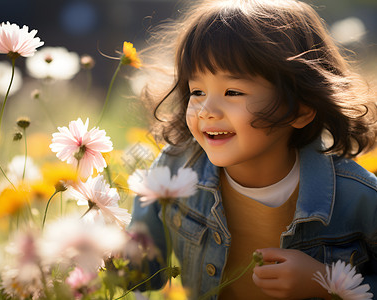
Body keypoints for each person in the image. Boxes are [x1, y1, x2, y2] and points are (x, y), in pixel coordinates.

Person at [128, 0, 377, 299]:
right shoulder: (175, 168)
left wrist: (322, 282)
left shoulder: (359, 197)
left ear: (300, 108)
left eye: (233, 92)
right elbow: (138, 275)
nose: (206, 110)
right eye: (197, 91)